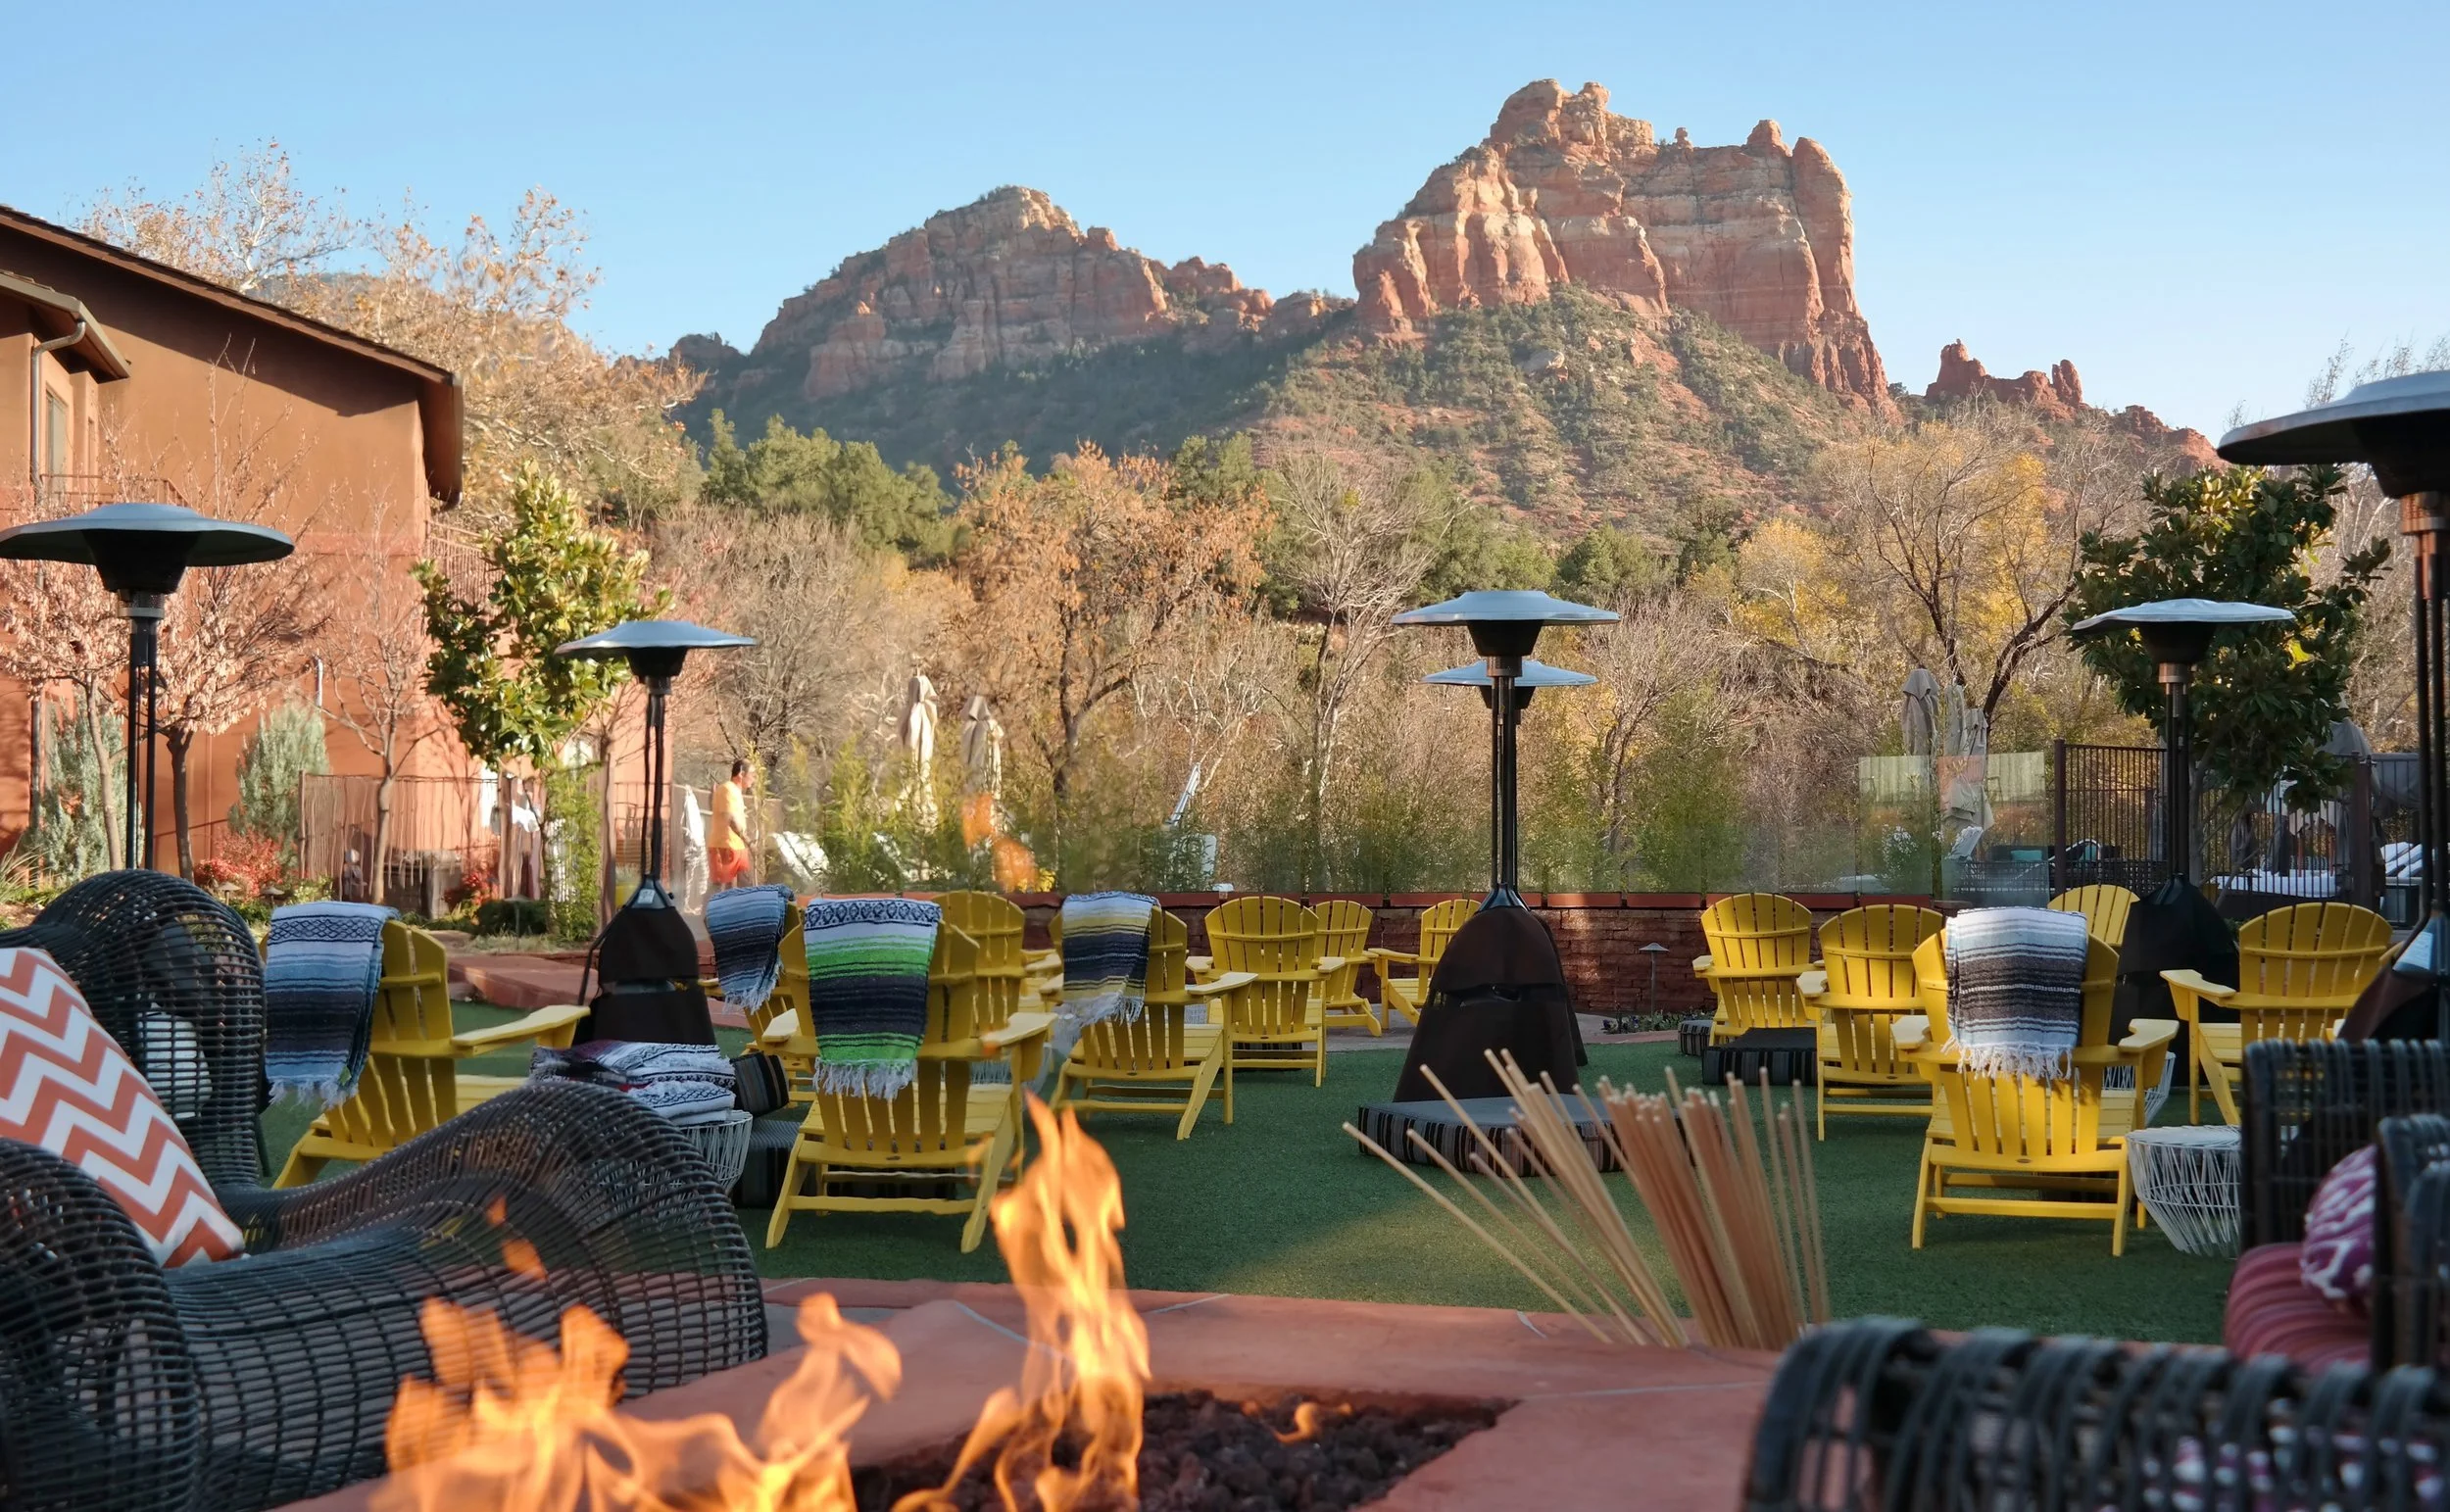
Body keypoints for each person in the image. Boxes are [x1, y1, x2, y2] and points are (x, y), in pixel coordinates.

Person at [710, 758, 756, 891]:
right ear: (741, 773)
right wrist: (749, 842)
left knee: (739, 887)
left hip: (736, 846)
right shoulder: (727, 789)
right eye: (752, 774)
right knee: (719, 887)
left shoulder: (735, 792)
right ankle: (708, 911)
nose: (754, 778)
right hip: (724, 845)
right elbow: (730, 819)